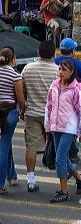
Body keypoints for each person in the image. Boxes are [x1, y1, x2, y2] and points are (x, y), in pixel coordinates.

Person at [45, 60, 81, 202]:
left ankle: (64, 191)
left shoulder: (77, 89)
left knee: (59, 158)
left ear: (71, 72)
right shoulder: (54, 85)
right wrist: (47, 126)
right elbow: (49, 106)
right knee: (64, 158)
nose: (60, 72)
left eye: (64, 70)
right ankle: (79, 178)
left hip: (69, 128)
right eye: (59, 69)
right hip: (55, 126)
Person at [21, 41, 58, 192]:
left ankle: (31, 180)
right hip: (52, 114)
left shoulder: (28, 68)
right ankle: (67, 177)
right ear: (54, 54)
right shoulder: (57, 71)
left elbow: (22, 89)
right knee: (59, 146)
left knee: (31, 147)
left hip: (32, 112)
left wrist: (22, 109)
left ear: (38, 52)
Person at [0, 47, 25, 195]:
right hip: (9, 113)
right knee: (3, 146)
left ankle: (11, 175)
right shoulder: (15, 76)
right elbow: (20, 99)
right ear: (13, 59)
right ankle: (1, 184)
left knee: (6, 143)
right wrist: (22, 110)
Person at [55, 38, 81, 110]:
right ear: (73, 51)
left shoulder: (54, 62)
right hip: (74, 100)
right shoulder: (79, 65)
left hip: (57, 98)